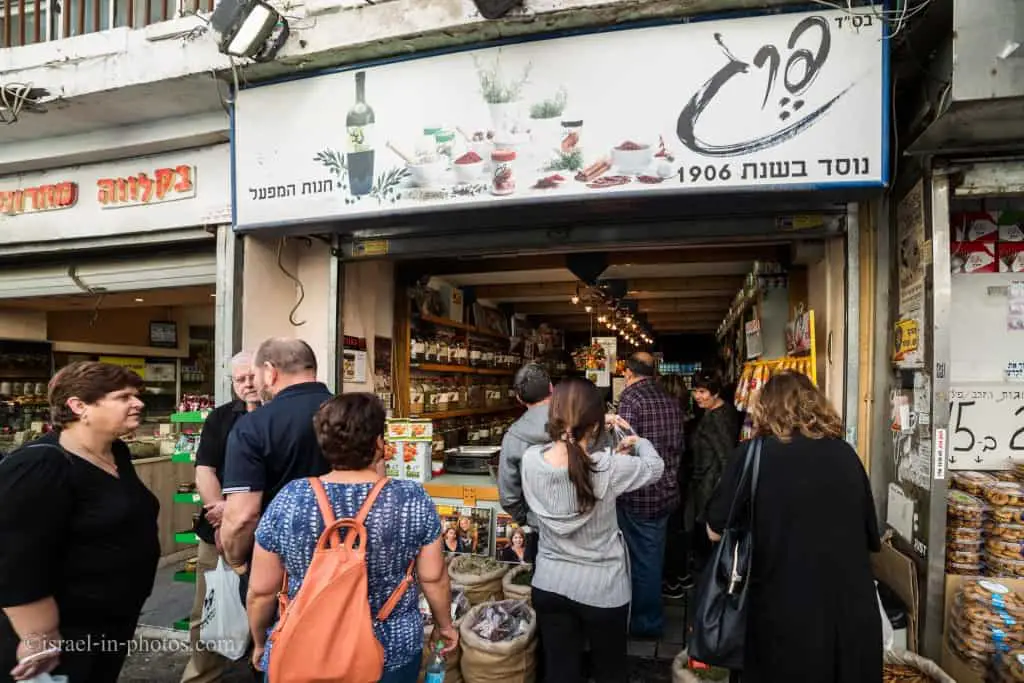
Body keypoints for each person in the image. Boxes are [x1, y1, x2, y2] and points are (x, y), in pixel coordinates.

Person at [248, 393, 458, 682]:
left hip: (303, 645)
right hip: (389, 650)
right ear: (379, 444)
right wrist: (444, 625)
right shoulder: (410, 498)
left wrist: (261, 641)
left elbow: (261, 591)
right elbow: (433, 578)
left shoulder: (291, 498)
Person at [706, 371, 881, 682]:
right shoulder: (846, 455)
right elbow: (870, 535)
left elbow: (715, 530)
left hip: (779, 614)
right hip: (848, 617)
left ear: (764, 409)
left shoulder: (752, 456)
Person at [0, 361, 160, 683]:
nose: (138, 403)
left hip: (108, 623)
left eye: (137, 395)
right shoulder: (41, 464)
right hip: (61, 630)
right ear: (78, 406)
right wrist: (38, 635)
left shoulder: (116, 452)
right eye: (123, 397)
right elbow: (15, 559)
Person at [521, 378, 664, 683]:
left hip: (549, 583)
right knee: (610, 671)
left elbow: (566, 460)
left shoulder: (531, 461)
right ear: (596, 426)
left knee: (559, 671)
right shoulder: (607, 468)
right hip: (603, 590)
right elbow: (655, 468)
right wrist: (639, 443)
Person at [220, 338, 333, 597]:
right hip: (347, 554)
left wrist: (237, 562)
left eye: (257, 375)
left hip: (279, 569)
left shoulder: (253, 426)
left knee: (276, 636)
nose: (256, 385)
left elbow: (242, 517)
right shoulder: (352, 414)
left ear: (270, 372)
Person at [181, 351, 260, 683]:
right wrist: (219, 514)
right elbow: (205, 468)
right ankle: (201, 676)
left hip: (262, 529)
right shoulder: (221, 418)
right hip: (217, 530)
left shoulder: (280, 416)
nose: (246, 385)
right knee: (208, 609)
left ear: (267, 374)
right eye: (239, 380)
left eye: (251, 377)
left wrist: (239, 510)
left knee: (267, 604)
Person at [616, 352, 683, 638]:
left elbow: (624, 450)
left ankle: (645, 623)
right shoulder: (669, 398)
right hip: (667, 489)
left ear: (628, 373)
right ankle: (648, 616)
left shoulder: (630, 399)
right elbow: (679, 444)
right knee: (652, 555)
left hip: (640, 494)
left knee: (641, 561)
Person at [684, 370, 740, 581]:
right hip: (705, 482)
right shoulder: (715, 412)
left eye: (703, 391)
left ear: (715, 392)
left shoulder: (719, 418)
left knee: (709, 544)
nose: (698, 396)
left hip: (711, 486)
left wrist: (723, 493)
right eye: (695, 391)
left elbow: (726, 457)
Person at [499, 362, 551, 561]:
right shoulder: (575, 424)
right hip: (581, 527)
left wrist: (527, 518)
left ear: (519, 398)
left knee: (546, 583)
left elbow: (508, 496)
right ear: (551, 389)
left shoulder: (513, 436)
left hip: (540, 527)